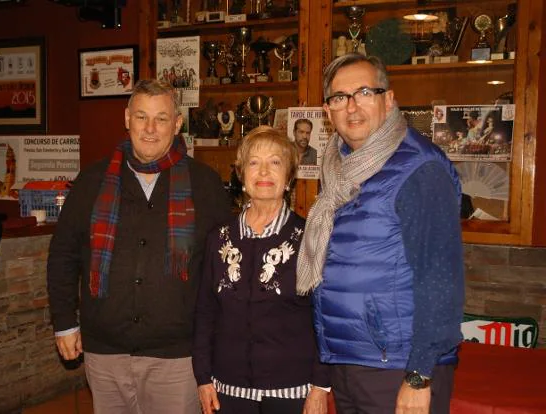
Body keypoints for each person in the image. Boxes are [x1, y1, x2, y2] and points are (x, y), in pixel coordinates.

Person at [47, 79, 231, 414]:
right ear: (127, 118)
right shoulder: (91, 182)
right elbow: (63, 255)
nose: (150, 128)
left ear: (177, 124)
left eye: (161, 118)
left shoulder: (205, 185)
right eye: (141, 116)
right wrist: (64, 322)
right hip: (104, 353)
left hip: (178, 357)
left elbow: (223, 268)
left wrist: (217, 341)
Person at [296, 53, 465, 414]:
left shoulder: (420, 170)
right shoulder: (340, 171)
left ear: (388, 101)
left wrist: (419, 376)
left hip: (399, 366)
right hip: (351, 359)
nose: (352, 106)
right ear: (328, 112)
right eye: (340, 97)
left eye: (365, 92)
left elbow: (440, 281)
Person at [193, 125, 330, 414]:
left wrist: (321, 385)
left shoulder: (310, 238)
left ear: (289, 177)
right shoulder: (218, 238)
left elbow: (325, 317)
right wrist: (203, 377)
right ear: (241, 175)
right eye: (254, 163)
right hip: (227, 389)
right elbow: (206, 313)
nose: (264, 172)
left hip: (293, 391)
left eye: (275, 162)